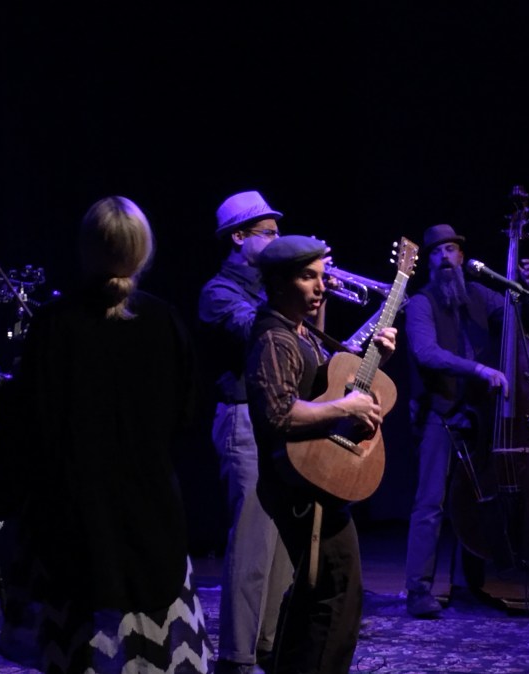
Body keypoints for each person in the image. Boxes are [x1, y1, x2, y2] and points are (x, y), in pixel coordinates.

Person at [0, 196, 212, 673]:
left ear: (86, 249)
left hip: (77, 516)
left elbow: (30, 427)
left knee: (82, 646)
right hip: (151, 512)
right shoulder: (165, 321)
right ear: (142, 251)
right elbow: (188, 416)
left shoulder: (53, 325)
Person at [245, 235, 397, 674]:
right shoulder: (274, 338)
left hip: (312, 478)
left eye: (321, 276)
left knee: (318, 591)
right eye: (307, 277)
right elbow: (277, 413)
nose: (320, 287)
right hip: (296, 484)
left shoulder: (301, 332)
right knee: (337, 591)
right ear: (277, 283)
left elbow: (327, 387)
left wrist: (374, 360)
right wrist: (345, 408)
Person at [403, 223, 529, 619]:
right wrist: (480, 369)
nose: (445, 257)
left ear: (462, 257)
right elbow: (426, 353)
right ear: (428, 262)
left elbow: (517, 314)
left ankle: (472, 583)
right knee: (430, 502)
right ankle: (418, 591)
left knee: (477, 498)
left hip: (477, 415)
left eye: (451, 250)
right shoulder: (420, 303)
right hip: (438, 414)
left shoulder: (477, 294)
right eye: (436, 252)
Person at [197, 190, 294, 674]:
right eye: (269, 233)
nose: (277, 239)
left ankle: (268, 645)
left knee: (280, 544)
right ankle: (236, 656)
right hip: (241, 418)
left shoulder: (266, 288)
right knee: (252, 541)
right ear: (239, 237)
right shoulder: (219, 291)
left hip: (277, 418)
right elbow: (259, 334)